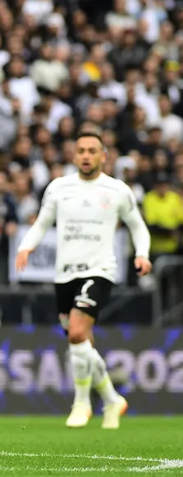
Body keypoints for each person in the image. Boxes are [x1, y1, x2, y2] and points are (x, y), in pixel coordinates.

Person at [15, 128, 152, 430]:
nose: (86, 156)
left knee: (76, 333)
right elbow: (42, 222)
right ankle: (112, 398)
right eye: (81, 151)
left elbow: (137, 226)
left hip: (99, 270)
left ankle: (81, 403)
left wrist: (142, 254)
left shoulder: (117, 190)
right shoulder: (58, 188)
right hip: (64, 274)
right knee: (82, 342)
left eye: (92, 151)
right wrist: (26, 246)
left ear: (104, 156)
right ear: (74, 156)